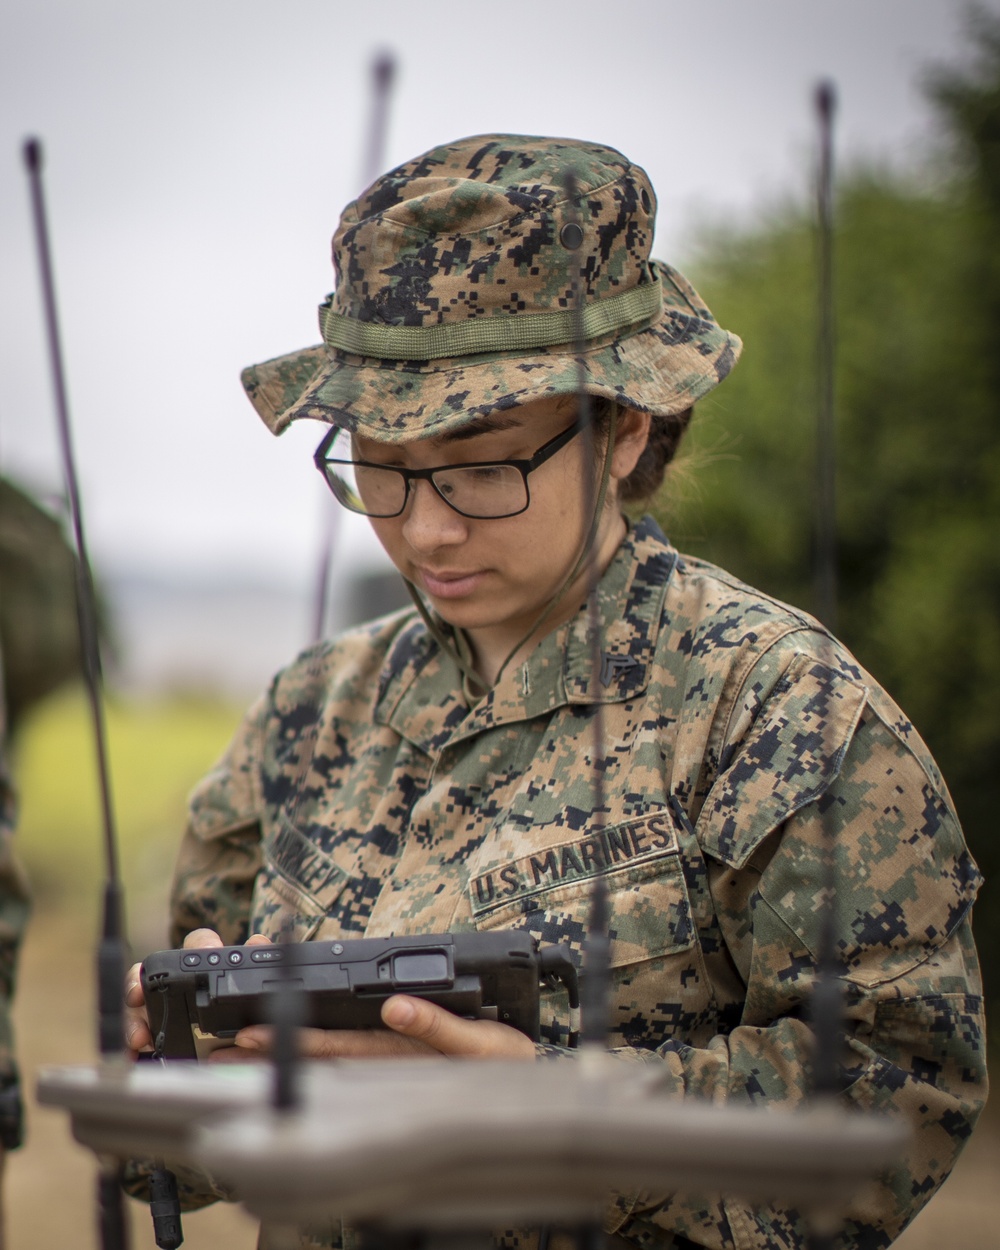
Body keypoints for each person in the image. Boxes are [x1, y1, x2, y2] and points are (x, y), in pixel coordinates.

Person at [125, 135, 987, 1249]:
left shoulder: (778, 714)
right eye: (379, 462)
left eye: (483, 466)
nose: (423, 526)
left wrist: (562, 1112)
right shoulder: (309, 712)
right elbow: (189, 1131)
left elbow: (899, 1097)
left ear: (625, 430)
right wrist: (181, 1071)